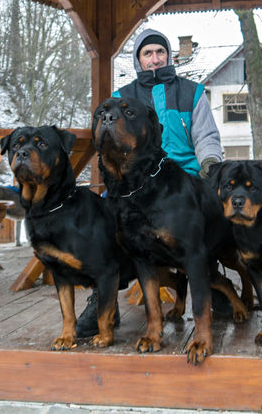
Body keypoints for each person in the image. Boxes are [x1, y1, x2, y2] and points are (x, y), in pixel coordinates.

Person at [76, 28, 224, 337]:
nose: (154, 58)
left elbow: (207, 137)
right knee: (104, 230)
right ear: (138, 60)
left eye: (160, 52)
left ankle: (213, 284)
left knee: (199, 222)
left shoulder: (191, 91)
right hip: (129, 183)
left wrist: (210, 169)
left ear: (169, 56)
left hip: (180, 178)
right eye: (147, 53)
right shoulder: (120, 98)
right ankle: (103, 301)